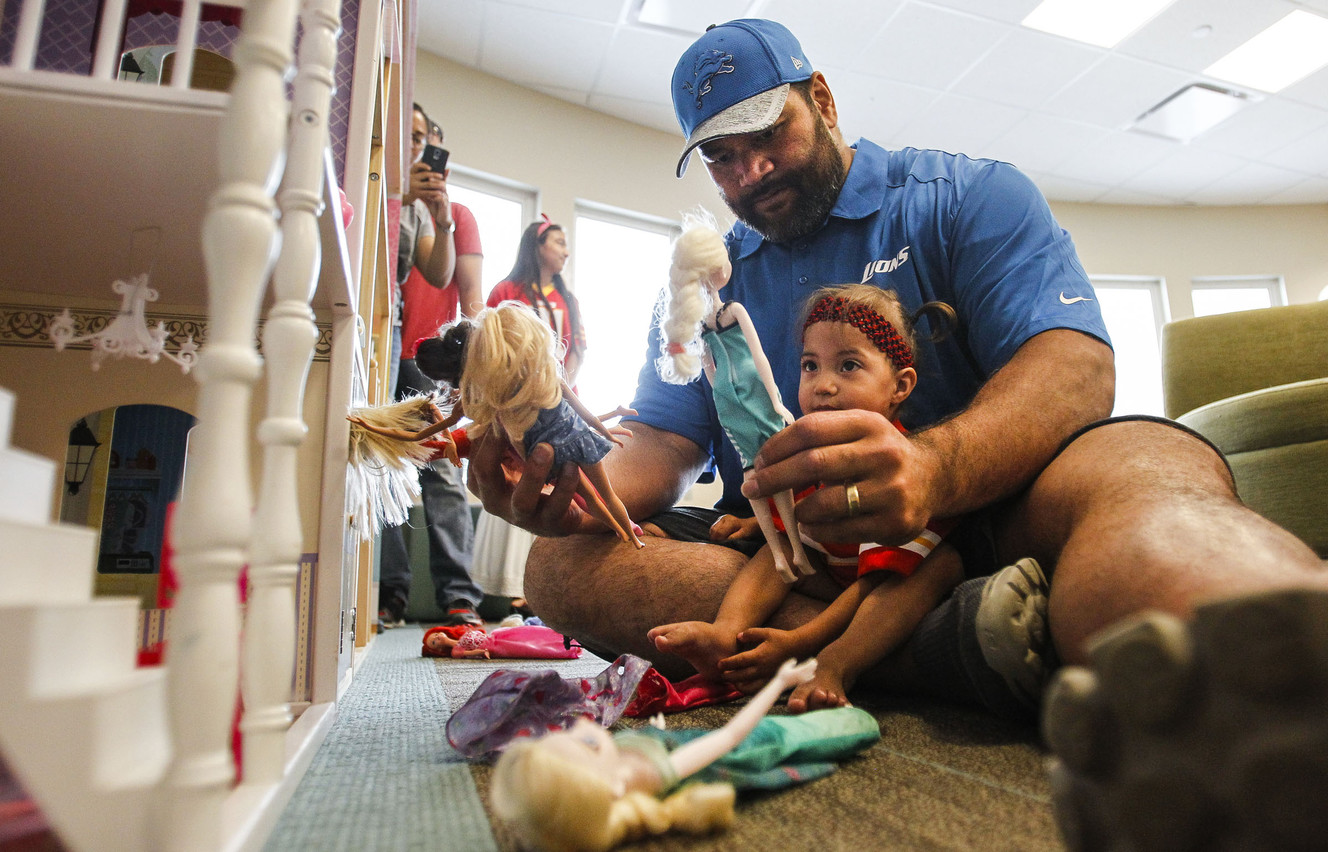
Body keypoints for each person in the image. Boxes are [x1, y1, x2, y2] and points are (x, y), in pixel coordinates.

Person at [462, 19, 1328, 849]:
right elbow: (659, 438)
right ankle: (959, 644)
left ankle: (1279, 672)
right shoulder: (707, 282)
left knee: (1150, 462)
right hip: (801, 557)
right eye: (720, 157)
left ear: (824, 101)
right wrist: (571, 482)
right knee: (559, 564)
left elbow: (1075, 365)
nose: (751, 170)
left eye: (769, 132)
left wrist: (935, 468)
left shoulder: (968, 197)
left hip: (996, 517)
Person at [650, 280, 968, 712]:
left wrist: (798, 642)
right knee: (774, 549)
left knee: (936, 569)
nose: (823, 385)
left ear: (900, 386)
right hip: (831, 573)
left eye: (849, 366)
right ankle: (726, 631)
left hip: (883, 588)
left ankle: (837, 664)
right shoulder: (809, 450)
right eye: (810, 366)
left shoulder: (898, 468)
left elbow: (873, 582)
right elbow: (795, 519)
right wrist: (754, 524)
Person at [490, 658, 880, 852]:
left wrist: (653, 735)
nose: (585, 726)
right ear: (614, 785)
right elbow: (731, 737)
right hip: (747, 747)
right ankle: (857, 723)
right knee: (799, 738)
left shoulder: (611, 780)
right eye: (588, 744)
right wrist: (778, 682)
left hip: (682, 741)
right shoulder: (651, 777)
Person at [378, 102, 484, 629]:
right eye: (410, 138)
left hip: (427, 357)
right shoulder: (376, 188)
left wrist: (473, 362)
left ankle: (458, 596)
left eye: (424, 142)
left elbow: (454, 283)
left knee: (440, 470)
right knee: (383, 467)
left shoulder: (446, 214)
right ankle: (388, 593)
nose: (417, 149)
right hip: (380, 346)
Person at [475, 216, 589, 615]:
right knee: (511, 474)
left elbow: (577, 349)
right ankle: (504, 588)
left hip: (557, 401)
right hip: (510, 405)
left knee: (553, 481)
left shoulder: (567, 300)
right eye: (559, 242)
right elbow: (485, 347)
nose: (566, 250)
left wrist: (559, 387)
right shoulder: (505, 292)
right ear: (537, 246)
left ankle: (541, 593)